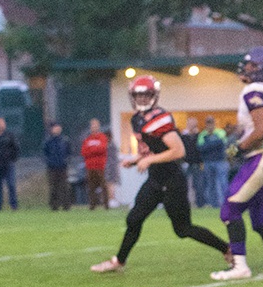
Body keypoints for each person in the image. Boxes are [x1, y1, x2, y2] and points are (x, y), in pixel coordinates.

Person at [90, 76, 230, 273]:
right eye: (138, 95)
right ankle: (119, 261)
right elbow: (151, 149)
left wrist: (148, 160)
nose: (142, 99)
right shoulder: (137, 118)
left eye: (146, 95)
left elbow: (178, 151)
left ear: (154, 95)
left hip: (172, 180)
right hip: (156, 179)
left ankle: (227, 249)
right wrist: (138, 158)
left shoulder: (159, 118)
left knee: (183, 230)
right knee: (134, 219)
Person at [210, 48, 263, 280]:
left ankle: (240, 266)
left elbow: (262, 130)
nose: (245, 68)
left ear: (260, 68)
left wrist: (238, 147)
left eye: (250, 65)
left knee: (230, 208)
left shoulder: (255, 90)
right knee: (260, 215)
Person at [197, 116, 229, 207]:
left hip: (220, 161)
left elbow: (222, 143)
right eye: (208, 123)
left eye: (211, 123)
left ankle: (226, 203)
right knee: (210, 184)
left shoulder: (220, 132)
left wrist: (208, 145)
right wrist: (213, 145)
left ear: (214, 123)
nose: (209, 125)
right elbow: (200, 148)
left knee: (223, 183)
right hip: (208, 162)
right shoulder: (202, 134)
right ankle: (214, 204)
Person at [80, 118, 110, 210]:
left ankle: (106, 205)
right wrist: (94, 150)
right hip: (90, 166)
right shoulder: (87, 139)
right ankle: (92, 205)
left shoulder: (102, 137)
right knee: (91, 186)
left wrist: (91, 150)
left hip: (100, 166)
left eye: (96, 125)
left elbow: (102, 149)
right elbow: (84, 152)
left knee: (103, 186)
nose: (94, 127)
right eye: (92, 125)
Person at [43, 121, 72, 211]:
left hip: (63, 167)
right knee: (53, 187)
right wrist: (49, 162)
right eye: (55, 127)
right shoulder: (48, 141)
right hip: (52, 167)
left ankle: (66, 205)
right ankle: (54, 206)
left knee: (64, 187)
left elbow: (69, 153)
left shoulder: (65, 140)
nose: (57, 129)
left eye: (58, 127)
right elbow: (44, 153)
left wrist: (66, 161)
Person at [180, 117, 204, 207]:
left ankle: (199, 204)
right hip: (186, 163)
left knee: (198, 185)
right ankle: (184, 203)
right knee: (184, 185)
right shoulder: (183, 136)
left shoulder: (199, 136)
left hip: (196, 163)